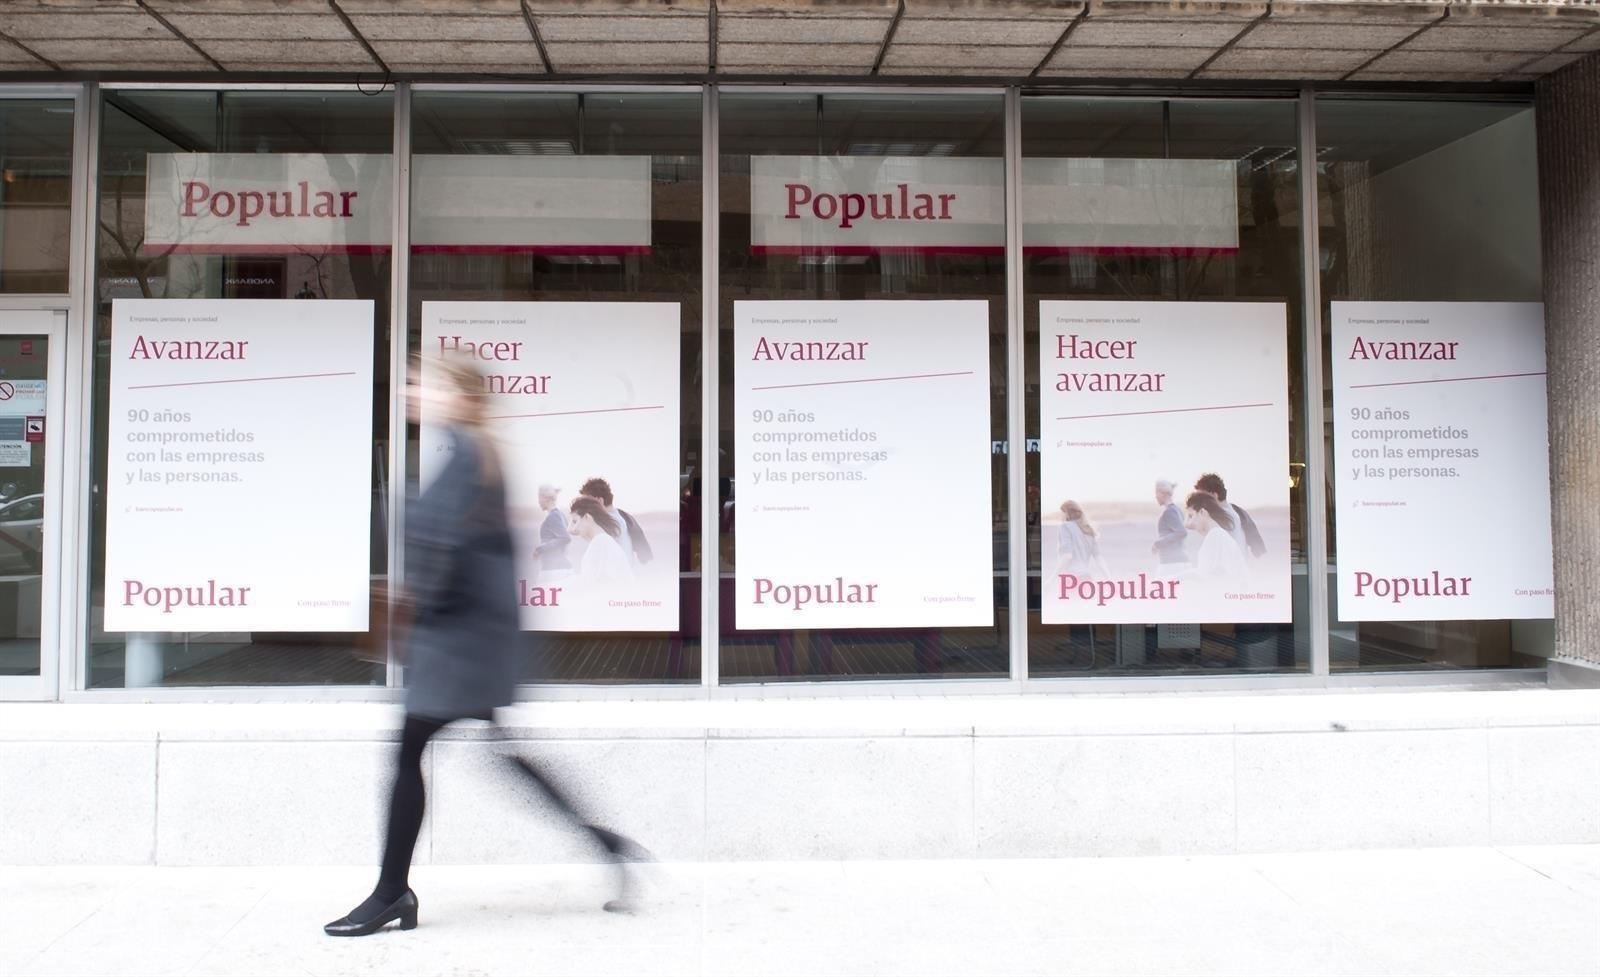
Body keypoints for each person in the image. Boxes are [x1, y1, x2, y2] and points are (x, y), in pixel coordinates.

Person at [324, 357, 642, 939]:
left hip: (459, 644)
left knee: (411, 756)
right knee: (501, 757)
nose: (411, 390)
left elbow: (448, 555)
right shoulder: (472, 453)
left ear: (460, 398)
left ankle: (392, 892)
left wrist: (410, 613)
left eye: (425, 383)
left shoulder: (473, 458)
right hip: (466, 642)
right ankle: (608, 846)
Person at [1184, 491, 1250, 589]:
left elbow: (1214, 578)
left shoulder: (1216, 535)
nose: (1190, 522)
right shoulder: (1219, 535)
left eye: (1191, 516)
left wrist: (1178, 578)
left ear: (1202, 512)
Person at [580, 477, 653, 565]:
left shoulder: (606, 522)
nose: (584, 507)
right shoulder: (625, 517)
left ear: (600, 500)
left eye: (587, 502)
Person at [1193, 473, 1266, 558]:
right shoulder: (1238, 511)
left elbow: (1257, 545)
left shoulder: (1216, 515)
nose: (1199, 502)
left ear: (1214, 495)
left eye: (1202, 497)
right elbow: (1258, 546)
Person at [570, 495, 634, 585]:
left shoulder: (601, 542)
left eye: (575, 521)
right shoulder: (603, 541)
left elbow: (596, 584)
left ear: (587, 517)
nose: (573, 529)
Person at [1057, 500, 1108, 579]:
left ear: (1067, 513)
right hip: (1086, 577)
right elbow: (1099, 559)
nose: (1060, 516)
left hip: (1071, 578)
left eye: (1061, 513)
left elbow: (1067, 556)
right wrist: (1108, 578)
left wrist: (1051, 579)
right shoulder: (1088, 529)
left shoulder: (1065, 527)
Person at [533, 483, 572, 574]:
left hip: (554, 569)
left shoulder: (553, 516)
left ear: (545, 498)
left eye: (539, 497)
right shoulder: (559, 514)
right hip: (558, 567)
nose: (538, 501)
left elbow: (565, 538)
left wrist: (539, 549)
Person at [1149, 479, 1187, 564]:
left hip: (1171, 562)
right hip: (1178, 560)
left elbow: (1181, 532)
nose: (1155, 496)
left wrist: (1157, 544)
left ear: (1163, 493)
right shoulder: (1177, 510)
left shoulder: (1169, 512)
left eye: (1156, 493)